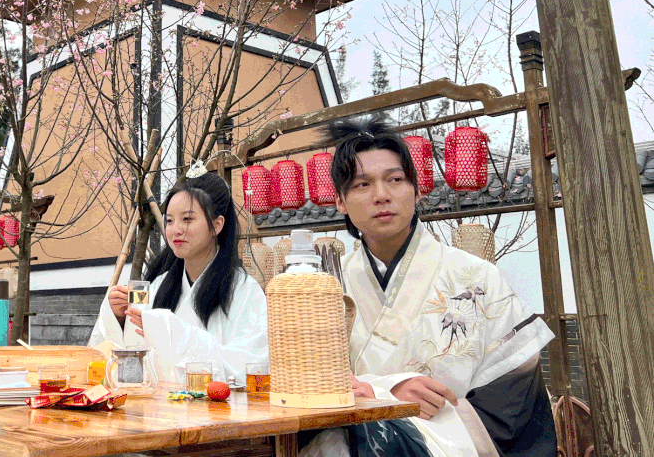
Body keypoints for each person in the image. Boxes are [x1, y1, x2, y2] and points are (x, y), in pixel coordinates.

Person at [301, 116, 556, 457]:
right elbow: (301, 384)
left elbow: (513, 404)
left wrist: (390, 411)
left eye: (395, 180)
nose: (381, 196)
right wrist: (388, 394)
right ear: (340, 202)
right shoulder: (325, 287)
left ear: (418, 191)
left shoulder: (477, 278)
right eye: (362, 184)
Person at [89, 167, 268, 386]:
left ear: (217, 225)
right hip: (156, 405)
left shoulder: (245, 290)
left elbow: (250, 365)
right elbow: (128, 347)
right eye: (170, 221)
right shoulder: (153, 286)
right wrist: (117, 315)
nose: (176, 230)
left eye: (187, 219)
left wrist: (173, 332)